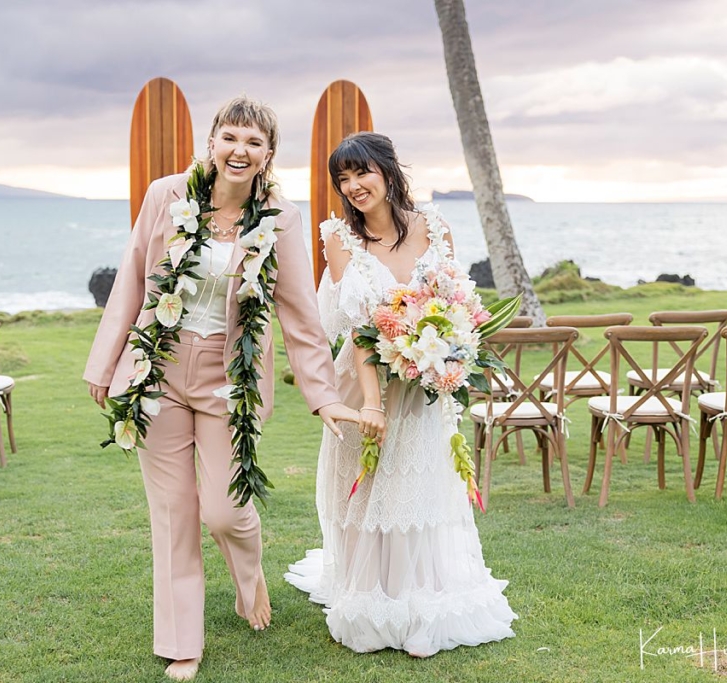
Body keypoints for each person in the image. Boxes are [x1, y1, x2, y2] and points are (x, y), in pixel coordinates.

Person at [84, 96, 357, 682]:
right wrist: (105, 363)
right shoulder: (166, 196)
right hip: (156, 368)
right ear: (212, 141)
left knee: (226, 512)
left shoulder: (280, 218)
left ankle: (249, 574)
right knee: (175, 512)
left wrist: (324, 393)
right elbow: (133, 279)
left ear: (267, 155)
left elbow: (300, 314)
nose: (240, 150)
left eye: (254, 142)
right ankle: (184, 643)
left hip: (230, 380)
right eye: (231, 137)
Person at [284, 132, 517, 657]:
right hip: (367, 378)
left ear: (389, 170)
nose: (353, 186)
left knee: (422, 486)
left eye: (361, 172)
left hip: (426, 386)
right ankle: (377, 599)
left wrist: (448, 356)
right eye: (342, 179)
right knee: (374, 486)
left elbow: (454, 302)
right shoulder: (338, 238)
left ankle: (424, 605)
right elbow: (363, 329)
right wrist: (371, 404)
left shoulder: (435, 227)